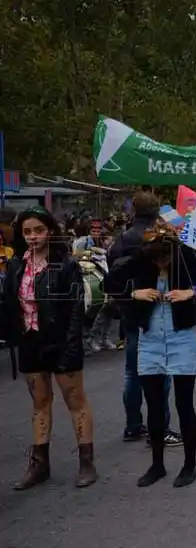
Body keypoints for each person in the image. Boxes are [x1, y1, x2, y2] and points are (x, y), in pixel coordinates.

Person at [105, 221, 196, 488]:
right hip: (149, 338)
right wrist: (133, 292)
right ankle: (157, 464)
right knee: (155, 404)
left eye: (165, 258)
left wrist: (191, 292)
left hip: (181, 337)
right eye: (155, 259)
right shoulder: (142, 258)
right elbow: (109, 282)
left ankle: (189, 465)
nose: (161, 264)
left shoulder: (186, 255)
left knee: (184, 404)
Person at [1, 206, 97, 490]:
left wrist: (70, 346)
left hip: (61, 342)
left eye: (38, 230)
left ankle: (87, 461)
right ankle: (39, 463)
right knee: (40, 402)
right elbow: (10, 304)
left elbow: (75, 310)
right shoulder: (17, 264)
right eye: (27, 231)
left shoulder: (65, 265)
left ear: (50, 231)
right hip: (31, 341)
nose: (33, 237)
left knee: (74, 401)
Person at [108, 192, 183, 447]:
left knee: (133, 372)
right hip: (157, 311)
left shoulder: (120, 240)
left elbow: (113, 277)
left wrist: (126, 297)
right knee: (160, 373)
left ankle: (133, 425)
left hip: (131, 312)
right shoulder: (160, 239)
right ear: (156, 212)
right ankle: (159, 429)